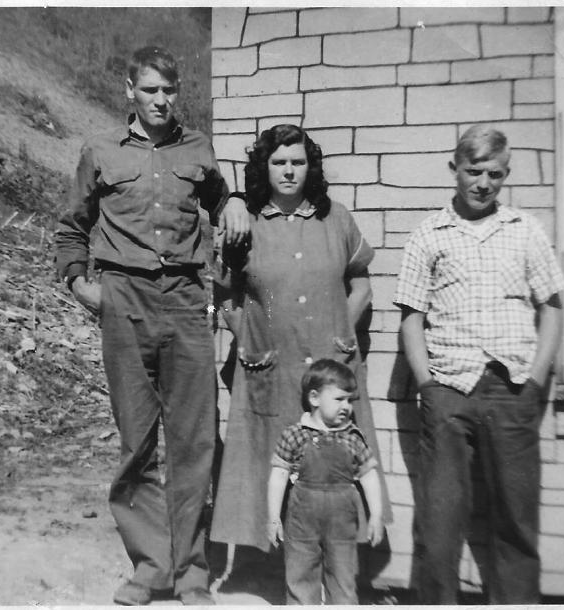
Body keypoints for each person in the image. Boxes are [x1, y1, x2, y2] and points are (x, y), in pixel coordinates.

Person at [54, 45, 248, 606]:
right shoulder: (100, 150)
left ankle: (189, 571)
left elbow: (221, 199)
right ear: (130, 90)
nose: (161, 100)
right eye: (150, 90)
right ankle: (149, 565)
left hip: (187, 300)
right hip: (125, 299)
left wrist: (232, 201)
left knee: (193, 441)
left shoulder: (197, 150)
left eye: (169, 91)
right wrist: (80, 285)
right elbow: (71, 227)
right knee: (136, 439)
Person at [210, 124, 392, 574]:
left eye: (297, 161)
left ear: (310, 166)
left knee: (335, 459)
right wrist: (246, 332)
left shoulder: (338, 219)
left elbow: (362, 284)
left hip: (331, 364)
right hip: (274, 366)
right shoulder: (245, 223)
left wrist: (340, 328)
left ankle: (337, 572)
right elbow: (226, 293)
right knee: (274, 460)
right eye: (278, 163)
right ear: (264, 168)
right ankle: (279, 574)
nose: (289, 171)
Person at [393, 125, 564, 604]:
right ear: (455, 170)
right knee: (441, 521)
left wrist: (535, 382)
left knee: (516, 517)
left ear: (505, 175)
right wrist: (428, 387)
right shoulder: (430, 234)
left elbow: (552, 306)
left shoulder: (524, 230)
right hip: (449, 390)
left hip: (512, 391)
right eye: (473, 172)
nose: (483, 183)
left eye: (495, 174)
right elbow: (412, 319)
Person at [268, 359, 384, 604]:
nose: (347, 407)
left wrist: (376, 515)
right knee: (300, 573)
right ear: (314, 398)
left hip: (342, 522)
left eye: (350, 400)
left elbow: (369, 476)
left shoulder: (352, 437)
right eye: (339, 399)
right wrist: (273, 516)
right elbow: (278, 476)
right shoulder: (295, 434)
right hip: (302, 522)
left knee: (343, 575)